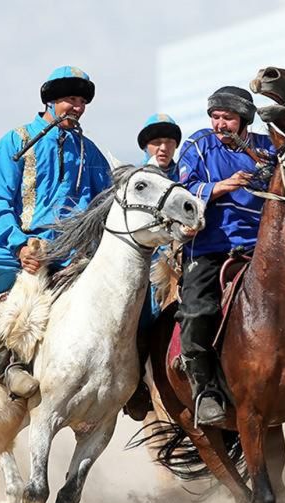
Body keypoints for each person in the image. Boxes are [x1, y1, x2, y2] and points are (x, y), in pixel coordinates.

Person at [0, 66, 111, 398]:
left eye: (83, 101)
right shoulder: (17, 141)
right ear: (51, 101)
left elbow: (105, 206)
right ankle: (6, 368)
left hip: (75, 258)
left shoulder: (92, 153)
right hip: (24, 252)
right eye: (71, 99)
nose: (78, 107)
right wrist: (19, 245)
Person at [176, 86, 274, 425]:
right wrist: (221, 186)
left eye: (228, 118)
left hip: (261, 247)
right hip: (209, 246)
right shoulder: (197, 145)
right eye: (215, 117)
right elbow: (182, 194)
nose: (220, 124)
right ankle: (205, 390)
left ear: (243, 120)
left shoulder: (267, 147)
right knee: (195, 311)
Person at [123, 114, 184, 421]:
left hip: (186, 258)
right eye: (156, 142)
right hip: (149, 264)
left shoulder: (187, 175)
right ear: (146, 146)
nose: (163, 148)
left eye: (169, 142)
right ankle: (136, 387)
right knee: (141, 317)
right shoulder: (136, 182)